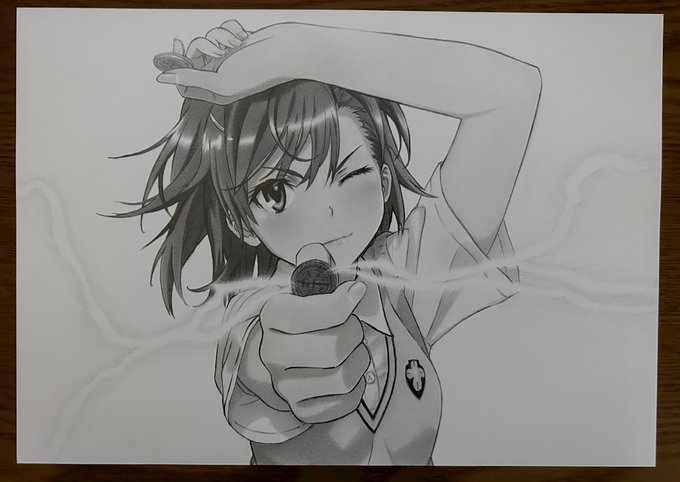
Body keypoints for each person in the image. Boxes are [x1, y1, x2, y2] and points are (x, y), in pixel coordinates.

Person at [125, 19, 541, 464]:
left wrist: (300, 49)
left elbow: (512, 92)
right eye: (276, 192)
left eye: (352, 173)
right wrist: (284, 366)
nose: (325, 214)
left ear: (384, 181)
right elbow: (260, 363)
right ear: (240, 220)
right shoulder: (251, 316)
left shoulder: (404, 277)